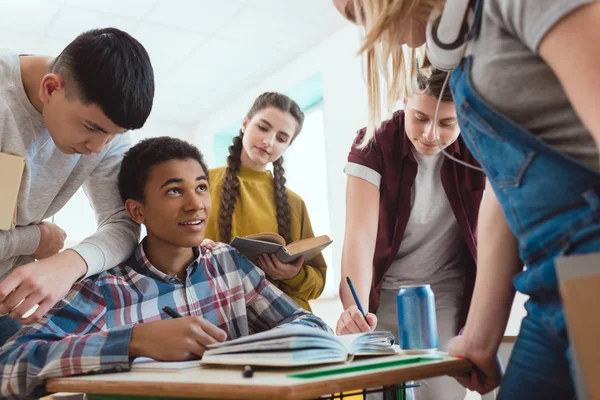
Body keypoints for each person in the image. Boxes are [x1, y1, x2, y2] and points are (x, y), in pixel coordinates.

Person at [333, 0, 600, 398]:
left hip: (590, 266)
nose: (342, 9)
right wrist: (479, 334)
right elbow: (502, 189)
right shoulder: (461, 56)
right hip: (549, 284)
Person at [0, 137, 330, 400]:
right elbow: (8, 366)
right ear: (137, 211)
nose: (195, 203)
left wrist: (255, 349)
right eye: (174, 191)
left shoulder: (228, 262)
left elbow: (308, 325)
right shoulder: (106, 290)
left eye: (201, 187)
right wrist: (131, 342)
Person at [336, 67, 485, 400]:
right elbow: (359, 235)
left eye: (447, 123)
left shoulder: (481, 145)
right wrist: (354, 310)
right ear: (404, 101)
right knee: (381, 393)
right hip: (382, 290)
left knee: (440, 393)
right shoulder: (372, 143)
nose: (431, 134)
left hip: (444, 288)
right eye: (420, 118)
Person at [0, 28, 154, 344]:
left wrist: (70, 263)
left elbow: (122, 223)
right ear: (51, 88)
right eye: (91, 128)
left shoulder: (107, 130)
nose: (99, 148)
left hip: (10, 303)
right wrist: (35, 239)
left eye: (112, 136)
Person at [204, 92, 327, 311]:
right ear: (245, 123)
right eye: (263, 127)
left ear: (288, 146)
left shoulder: (294, 203)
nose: (268, 141)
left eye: (281, 138)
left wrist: (294, 274)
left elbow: (318, 283)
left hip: (286, 321)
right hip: (219, 314)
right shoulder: (202, 183)